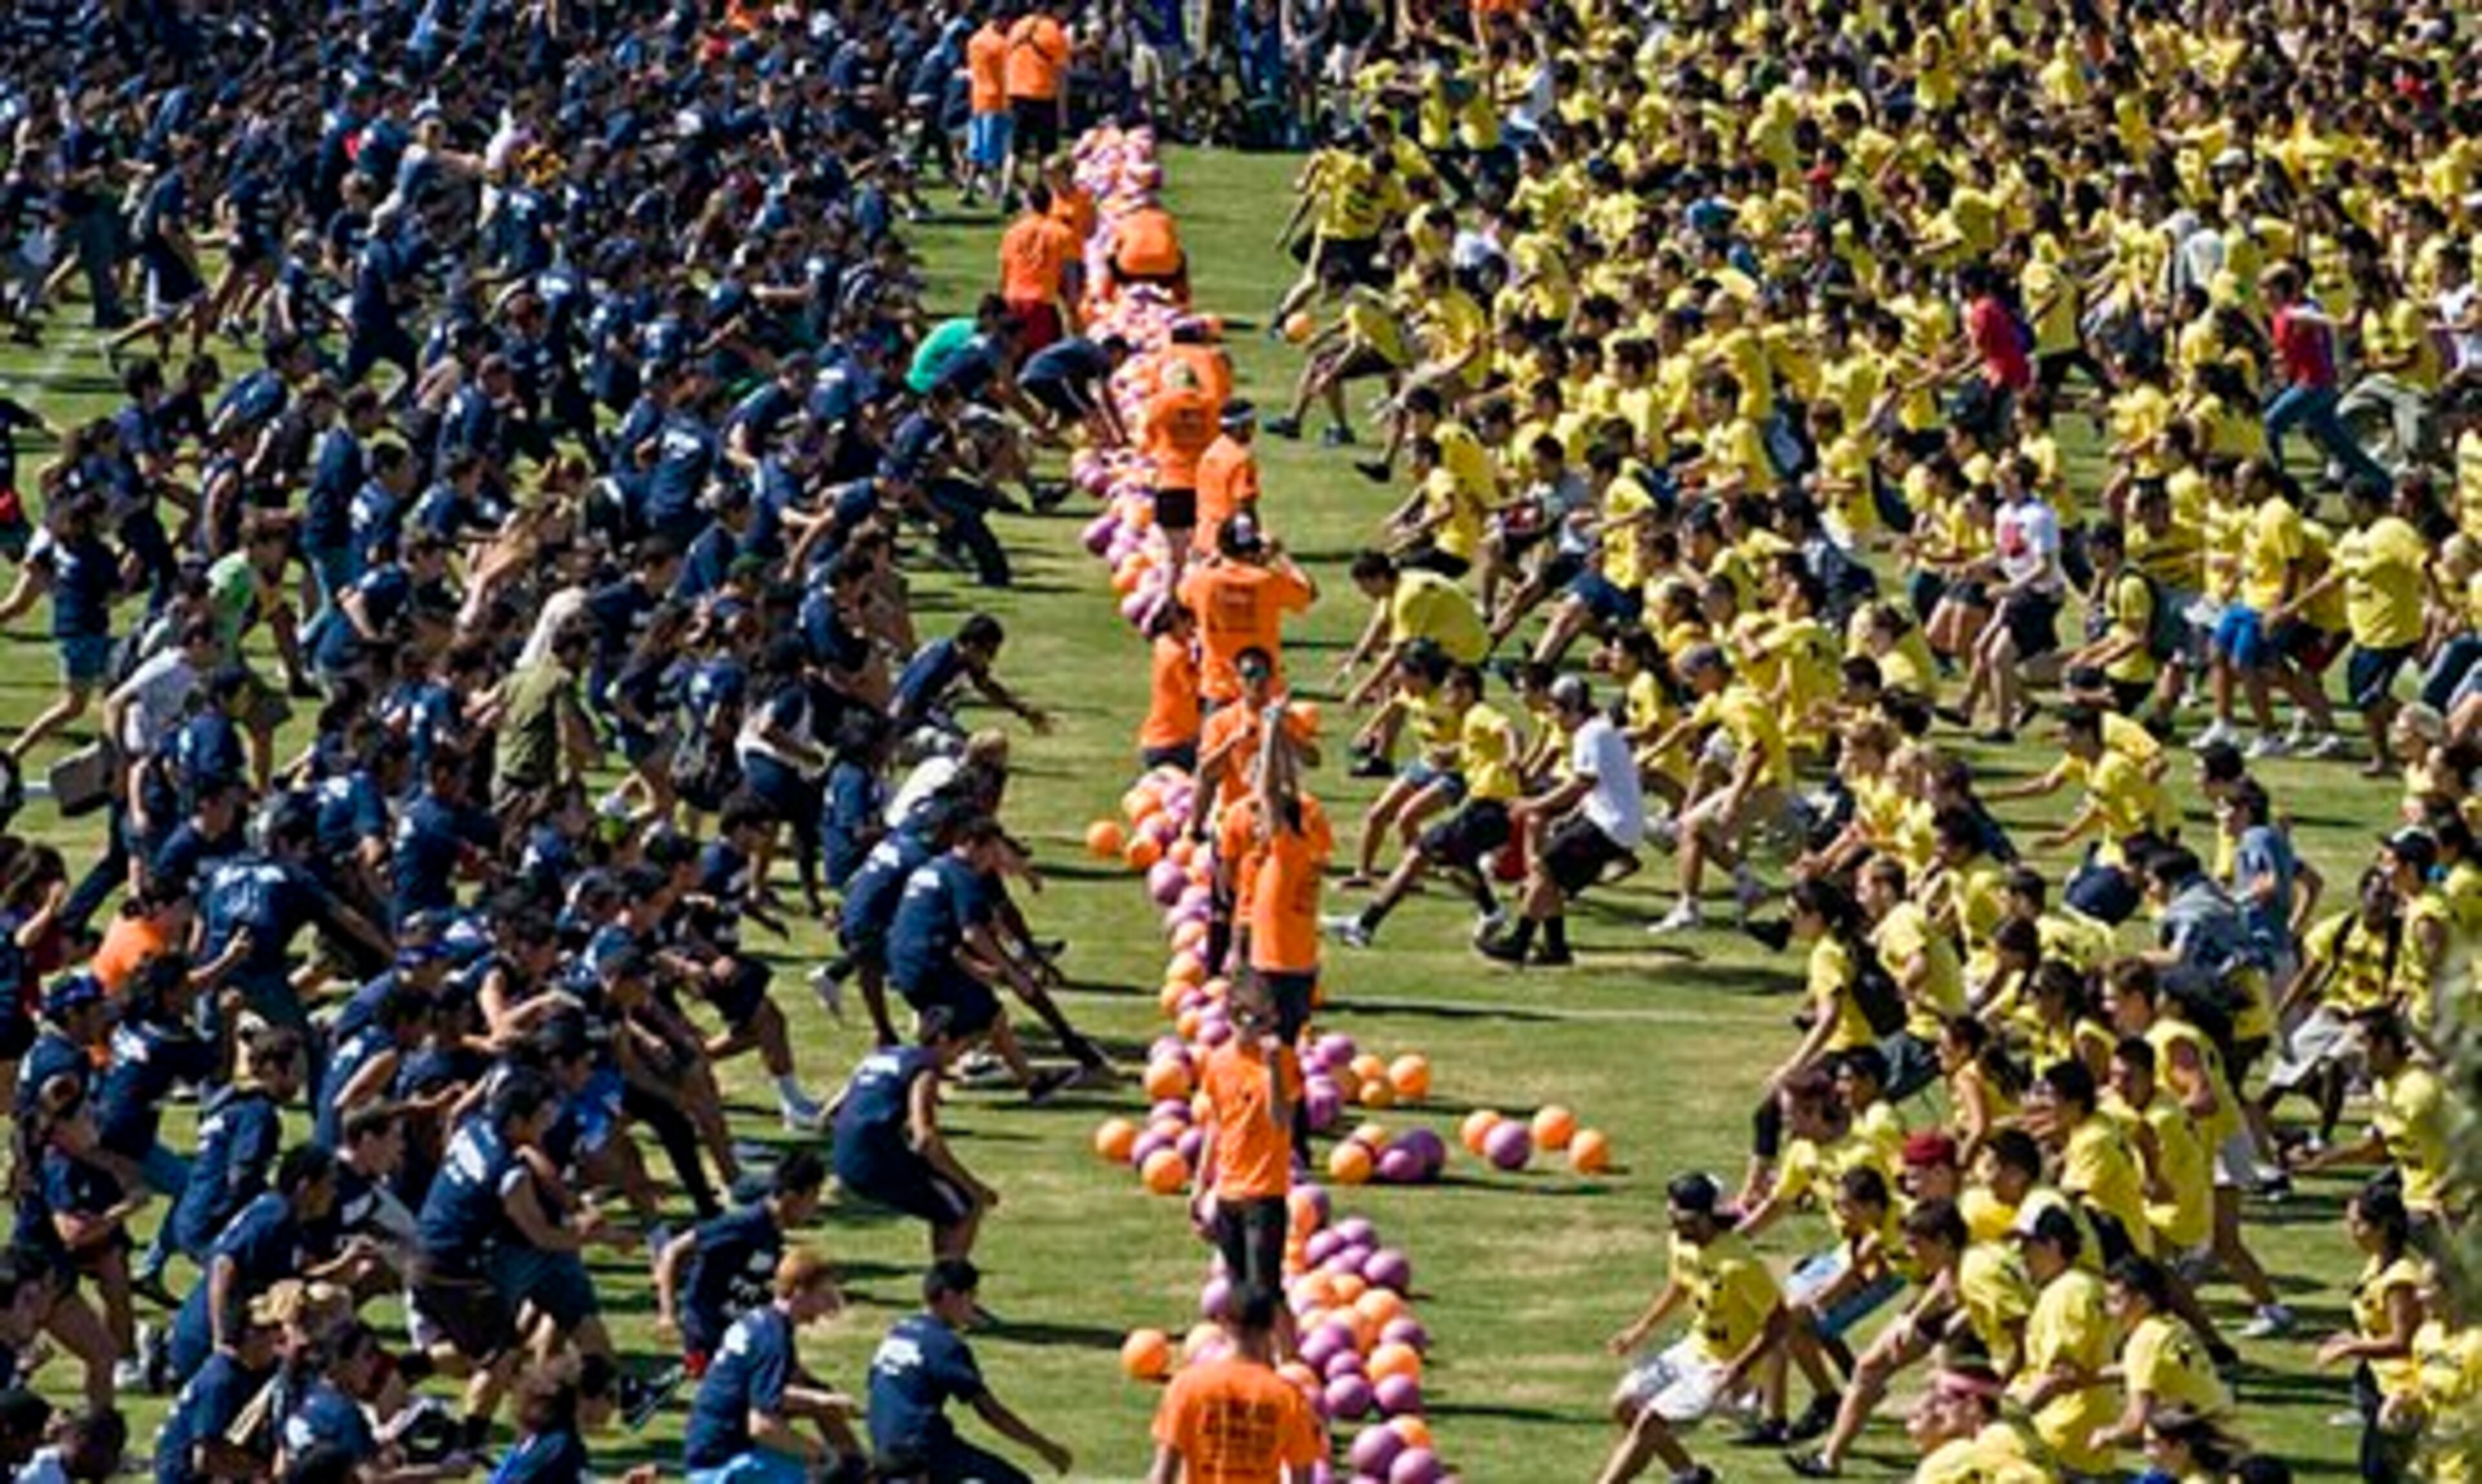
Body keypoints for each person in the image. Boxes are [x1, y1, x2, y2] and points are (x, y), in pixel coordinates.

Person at [1599, 1172, 1783, 1484]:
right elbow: (1681, 1286)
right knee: (1625, 1405)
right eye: (1671, 1215)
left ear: (1705, 1218)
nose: (1673, 1225)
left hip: (1726, 1363)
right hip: (1696, 1347)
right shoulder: (1681, 1244)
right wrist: (1641, 1329)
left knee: (1650, 1423)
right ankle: (1689, 1475)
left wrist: (1738, 1370)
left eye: (1680, 1218)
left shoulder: (1740, 1265)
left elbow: (1781, 1322)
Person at [1480, 675, 1644, 966]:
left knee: (1543, 867)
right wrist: (1567, 816)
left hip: (1610, 824)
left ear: (1571, 708)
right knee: (1549, 876)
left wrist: (1533, 804)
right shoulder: (1597, 732)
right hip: (1612, 822)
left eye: (1555, 709)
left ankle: (1520, 941)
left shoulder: (1590, 735)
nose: (1551, 717)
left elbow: (1582, 783)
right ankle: (1555, 948)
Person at [866, 1259, 1073, 1482]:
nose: (973, 1306)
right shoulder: (945, 1344)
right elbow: (991, 1412)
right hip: (923, 1447)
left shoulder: (899, 1331)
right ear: (949, 1297)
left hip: (883, 1444)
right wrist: (1045, 1447)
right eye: (971, 1296)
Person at [679, 1250, 864, 1484]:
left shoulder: (763, 1321)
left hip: (710, 1449)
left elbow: (778, 1389)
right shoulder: (772, 1339)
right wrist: (826, 1456)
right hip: (725, 1461)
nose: (830, 1304)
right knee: (829, 1476)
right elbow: (763, 1427)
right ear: (799, 1292)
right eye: (824, 1294)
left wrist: (822, 1401)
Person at [830, 1010, 995, 1259]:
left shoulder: (881, 1056)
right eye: (965, 1046)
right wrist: (974, 1186)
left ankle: (943, 1282)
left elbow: (831, 1112)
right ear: (943, 1039)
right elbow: (927, 1139)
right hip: (873, 1161)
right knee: (967, 1205)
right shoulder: (925, 1071)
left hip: (842, 1157)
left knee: (945, 1204)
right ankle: (949, 1290)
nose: (964, 1056)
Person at [1147, 1288, 1326, 1484]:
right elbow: (1302, 1476)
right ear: (1271, 1329)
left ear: (1223, 1323)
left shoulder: (1186, 1387)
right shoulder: (1288, 1397)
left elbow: (1163, 1473)